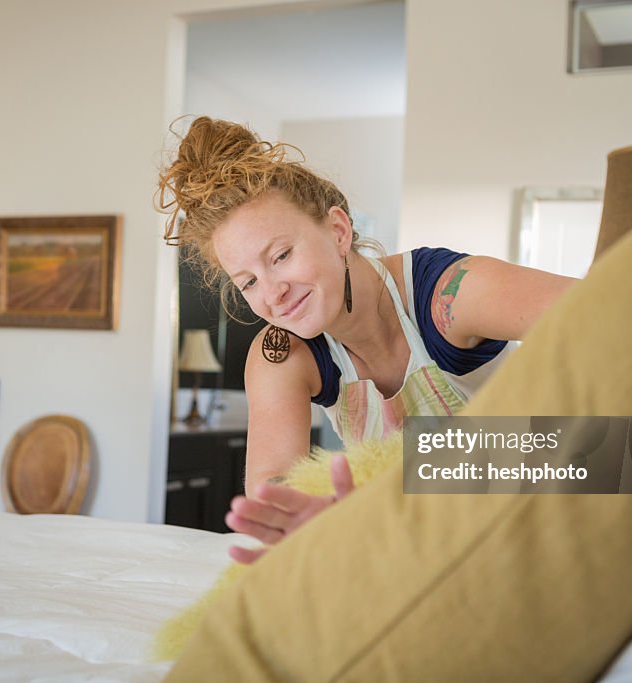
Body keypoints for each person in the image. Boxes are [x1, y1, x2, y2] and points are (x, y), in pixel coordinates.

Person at [158, 116, 575, 562]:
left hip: (556, 518)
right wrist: (301, 519)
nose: (273, 293)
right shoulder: (282, 354)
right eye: (248, 282)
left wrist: (380, 495)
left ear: (338, 231)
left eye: (281, 255)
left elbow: (622, 311)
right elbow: (274, 494)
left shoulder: (449, 296)